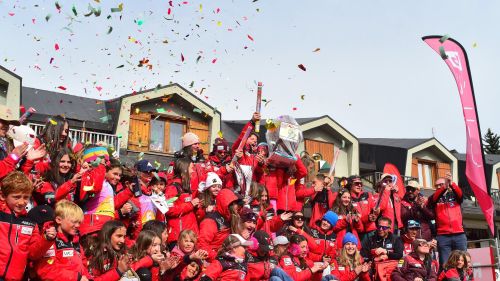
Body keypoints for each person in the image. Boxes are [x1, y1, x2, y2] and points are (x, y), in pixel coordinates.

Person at [0, 171, 56, 281]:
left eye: (26, 197)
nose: (22, 202)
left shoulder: (30, 223)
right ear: (2, 196)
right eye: (16, 197)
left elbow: (33, 254)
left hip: (16, 277)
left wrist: (47, 239)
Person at [34, 200, 89, 281]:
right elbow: (47, 270)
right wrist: (76, 278)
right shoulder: (49, 240)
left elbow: (83, 266)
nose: (77, 225)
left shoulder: (75, 241)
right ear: (59, 220)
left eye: (79, 222)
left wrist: (89, 278)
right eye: (74, 222)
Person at [84, 220, 153, 281]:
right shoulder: (96, 253)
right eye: (119, 236)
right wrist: (118, 271)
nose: (122, 240)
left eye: (124, 236)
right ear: (108, 235)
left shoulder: (123, 250)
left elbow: (131, 269)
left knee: (143, 273)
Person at [427, 172, 467, 267]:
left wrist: (451, 183)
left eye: (440, 184)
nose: (438, 187)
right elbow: (434, 198)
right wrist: (444, 186)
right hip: (443, 236)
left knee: (462, 262)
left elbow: (460, 194)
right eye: (436, 186)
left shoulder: (455, 196)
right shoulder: (433, 198)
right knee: (445, 265)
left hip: (459, 235)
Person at [162, 158, 200, 249]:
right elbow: (169, 209)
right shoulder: (173, 188)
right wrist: (190, 205)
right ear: (185, 169)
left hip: (188, 236)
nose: (193, 171)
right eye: (191, 168)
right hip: (178, 238)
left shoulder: (185, 187)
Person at [197, 188, 241, 260]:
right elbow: (202, 245)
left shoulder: (230, 217)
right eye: (233, 203)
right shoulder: (210, 220)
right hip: (213, 260)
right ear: (226, 204)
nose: (237, 206)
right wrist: (218, 257)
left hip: (226, 255)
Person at [348, 175, 377, 240]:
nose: (359, 185)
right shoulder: (347, 197)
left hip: (370, 229)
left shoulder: (368, 195)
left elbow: (374, 211)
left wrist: (376, 212)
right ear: (350, 185)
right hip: (356, 230)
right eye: (356, 183)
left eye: (361, 183)